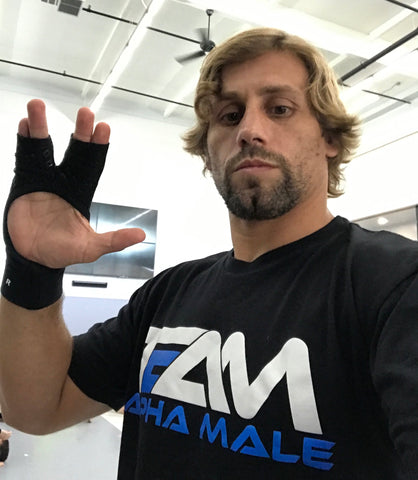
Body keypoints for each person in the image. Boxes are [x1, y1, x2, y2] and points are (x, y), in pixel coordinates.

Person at [0, 27, 417, 480]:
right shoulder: (167, 294)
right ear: (207, 152)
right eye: (229, 115)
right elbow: (35, 409)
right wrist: (32, 271)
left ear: (329, 137)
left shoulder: (395, 284)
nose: (249, 131)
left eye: (279, 108)